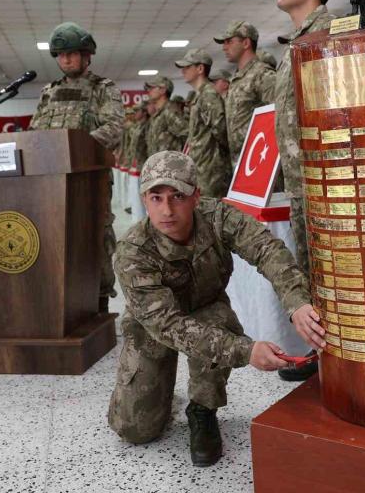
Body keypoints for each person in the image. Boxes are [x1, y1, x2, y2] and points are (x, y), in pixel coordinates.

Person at [108, 151, 323, 467]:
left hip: (208, 309)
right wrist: (246, 351)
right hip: (153, 327)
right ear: (145, 200)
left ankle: (202, 409)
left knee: (219, 323)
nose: (166, 210)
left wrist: (297, 302)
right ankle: (162, 390)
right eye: (156, 198)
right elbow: (167, 325)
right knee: (135, 430)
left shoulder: (218, 217)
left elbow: (267, 250)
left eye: (178, 196)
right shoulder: (132, 251)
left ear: (196, 196)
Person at [266, 0, 335, 382]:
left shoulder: (330, 34)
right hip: (301, 182)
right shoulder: (297, 41)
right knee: (314, 273)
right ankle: (324, 353)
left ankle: (341, 357)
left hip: (325, 182)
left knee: (334, 273)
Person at [29, 21, 126, 313]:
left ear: (87, 55)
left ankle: (99, 303)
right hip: (52, 183)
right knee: (57, 239)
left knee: (95, 238)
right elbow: (34, 134)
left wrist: (72, 149)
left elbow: (114, 128)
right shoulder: (49, 91)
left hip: (90, 182)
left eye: (71, 53)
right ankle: (62, 302)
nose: (66, 59)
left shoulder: (103, 89)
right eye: (60, 55)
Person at [214, 20, 276, 166]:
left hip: (260, 160)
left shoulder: (263, 75)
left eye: (229, 41)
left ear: (246, 43)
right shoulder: (236, 79)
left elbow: (278, 118)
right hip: (240, 161)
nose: (224, 47)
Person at [176, 48, 231, 198]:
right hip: (202, 168)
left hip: (211, 171)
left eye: (187, 67)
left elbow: (221, 131)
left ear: (200, 68)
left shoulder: (208, 95)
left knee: (211, 209)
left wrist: (218, 161)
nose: (183, 71)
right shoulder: (200, 95)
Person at [144, 76, 187, 156]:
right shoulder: (157, 114)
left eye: (152, 88)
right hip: (157, 162)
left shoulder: (170, 111)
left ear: (163, 90)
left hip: (170, 162)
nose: (148, 91)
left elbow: (187, 136)